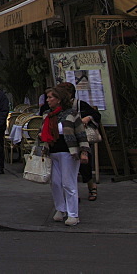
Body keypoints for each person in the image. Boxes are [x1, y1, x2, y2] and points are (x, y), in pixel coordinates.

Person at [39, 85, 90, 226]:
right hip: (52, 152)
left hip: (69, 152)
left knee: (68, 183)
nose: (48, 100)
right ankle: (60, 209)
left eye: (50, 97)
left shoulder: (71, 114)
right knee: (55, 182)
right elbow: (41, 132)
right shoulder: (47, 115)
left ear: (59, 99)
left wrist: (84, 151)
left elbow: (81, 134)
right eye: (47, 97)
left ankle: (73, 214)